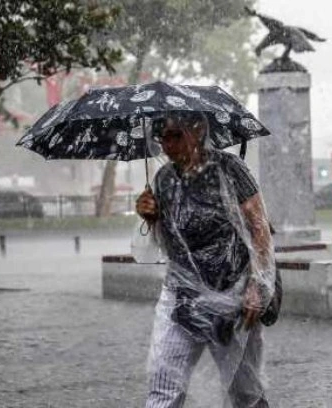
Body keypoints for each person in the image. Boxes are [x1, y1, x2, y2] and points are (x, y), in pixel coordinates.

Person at [136, 112, 276, 408]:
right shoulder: (163, 179)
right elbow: (168, 242)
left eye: (175, 135)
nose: (168, 145)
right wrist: (150, 217)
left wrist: (257, 285)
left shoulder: (230, 169)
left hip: (233, 298)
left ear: (198, 130)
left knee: (245, 393)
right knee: (164, 386)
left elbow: (259, 227)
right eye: (162, 138)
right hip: (181, 299)